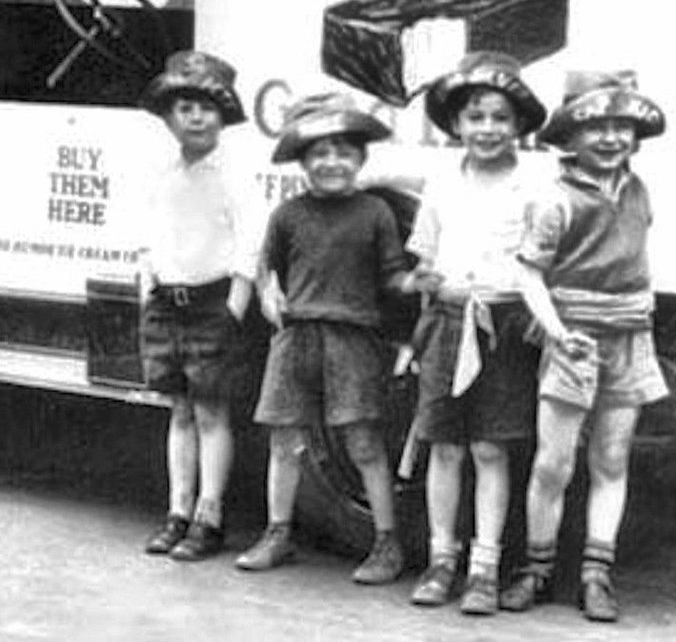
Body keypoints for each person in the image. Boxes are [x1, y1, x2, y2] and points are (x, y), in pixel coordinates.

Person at [501, 70, 669, 624]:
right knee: (553, 464)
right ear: (569, 136)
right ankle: (537, 568)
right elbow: (529, 273)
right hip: (573, 341)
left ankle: (597, 573)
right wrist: (556, 330)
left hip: (630, 337)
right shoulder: (554, 199)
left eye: (622, 126)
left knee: (612, 458)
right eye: (595, 125)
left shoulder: (638, 189)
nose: (611, 138)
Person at [235, 92, 412, 585]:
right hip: (296, 340)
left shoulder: (375, 211)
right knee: (285, 440)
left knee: (363, 442)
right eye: (319, 153)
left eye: (343, 152)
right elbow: (266, 267)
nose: (331, 162)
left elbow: (394, 274)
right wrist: (269, 293)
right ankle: (278, 533)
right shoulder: (288, 214)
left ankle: (386, 542)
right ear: (302, 161)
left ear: (360, 159)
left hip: (352, 339)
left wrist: (415, 284)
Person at [402, 51, 547, 615]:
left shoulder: (534, 186)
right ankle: (442, 561)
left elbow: (543, 265)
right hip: (447, 322)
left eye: (499, 118)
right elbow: (422, 262)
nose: (487, 129)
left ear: (518, 125)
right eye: (475, 118)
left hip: (505, 326)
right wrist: (430, 285)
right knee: (445, 446)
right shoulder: (441, 184)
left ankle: (485, 568)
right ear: (456, 125)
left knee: (491, 447)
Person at [135, 51, 259, 561]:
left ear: (224, 115)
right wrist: (148, 286)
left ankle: (210, 516)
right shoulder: (160, 172)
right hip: (168, 303)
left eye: (209, 107)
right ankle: (177, 511)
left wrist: (235, 306)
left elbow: (250, 245)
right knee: (179, 411)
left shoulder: (231, 175)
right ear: (168, 116)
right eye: (185, 107)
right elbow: (148, 235)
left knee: (212, 412)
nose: (197, 117)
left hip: (213, 304)